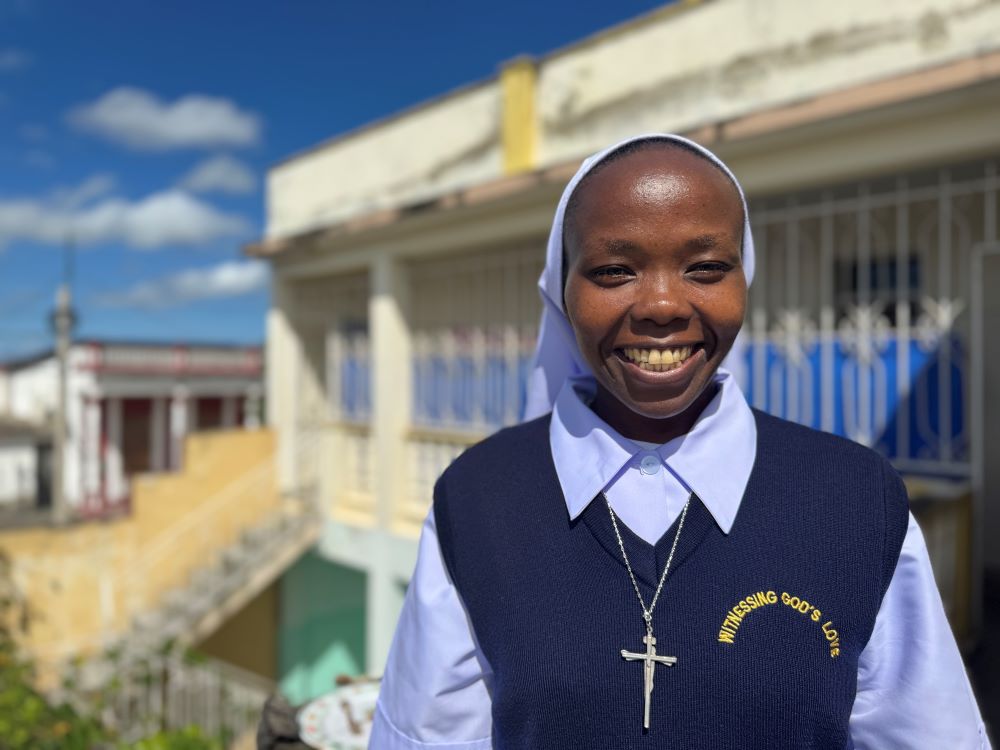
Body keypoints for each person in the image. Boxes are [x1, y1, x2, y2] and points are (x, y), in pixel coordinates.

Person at [369, 134, 990, 749]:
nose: (662, 304)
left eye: (706, 268)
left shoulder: (855, 498)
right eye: (614, 270)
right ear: (563, 291)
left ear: (745, 280)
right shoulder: (479, 496)